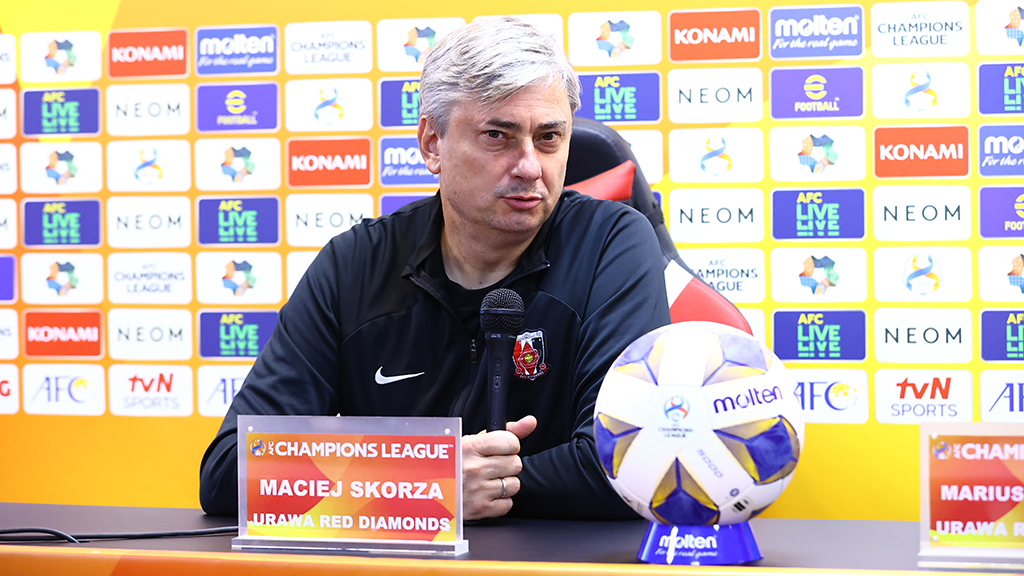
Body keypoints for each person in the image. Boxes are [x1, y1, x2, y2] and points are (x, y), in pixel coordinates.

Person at [199, 15, 670, 521]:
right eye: (498, 135)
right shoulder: (355, 265)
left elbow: (624, 459)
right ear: (431, 144)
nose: (531, 166)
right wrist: (426, 484)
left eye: (549, 138)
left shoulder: (611, 243)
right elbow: (230, 471)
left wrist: (438, 487)